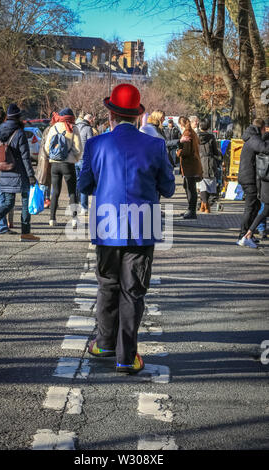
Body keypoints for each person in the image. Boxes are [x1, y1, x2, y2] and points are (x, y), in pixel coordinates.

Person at [78, 83, 175, 374]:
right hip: (141, 225)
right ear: (137, 116)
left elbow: (83, 185)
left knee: (107, 285)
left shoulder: (96, 144)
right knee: (133, 290)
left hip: (106, 225)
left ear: (110, 115)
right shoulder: (155, 145)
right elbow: (169, 188)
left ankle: (104, 343)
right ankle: (126, 356)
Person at [0, 103, 40, 242]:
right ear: (18, 117)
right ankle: (26, 233)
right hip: (20, 173)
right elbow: (26, 157)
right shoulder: (19, 133)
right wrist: (31, 175)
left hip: (4, 171)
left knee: (8, 203)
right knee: (25, 201)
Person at [44, 108, 82, 228]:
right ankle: (74, 219)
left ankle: (52, 219)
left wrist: (52, 157)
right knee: (72, 191)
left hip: (55, 164)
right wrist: (74, 158)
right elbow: (78, 148)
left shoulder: (53, 128)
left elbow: (46, 147)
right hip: (68, 164)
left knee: (55, 191)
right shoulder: (73, 128)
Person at [237, 118, 269, 246]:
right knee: (250, 207)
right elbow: (265, 148)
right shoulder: (254, 139)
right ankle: (243, 235)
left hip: (248, 176)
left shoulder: (252, 137)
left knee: (255, 206)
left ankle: (248, 234)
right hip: (248, 177)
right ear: (262, 129)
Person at [177, 116, 203, 219]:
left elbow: (186, 151)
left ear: (180, 124)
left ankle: (191, 211)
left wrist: (178, 152)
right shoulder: (192, 132)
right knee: (189, 187)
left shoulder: (187, 133)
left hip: (189, 165)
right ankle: (190, 209)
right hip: (193, 164)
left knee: (190, 188)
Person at [197, 118, 221, 213]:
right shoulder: (211, 137)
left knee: (202, 185)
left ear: (200, 126)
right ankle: (206, 206)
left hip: (199, 161)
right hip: (210, 161)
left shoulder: (196, 136)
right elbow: (215, 151)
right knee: (209, 184)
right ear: (208, 127)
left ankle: (203, 206)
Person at [76, 113, 94, 216]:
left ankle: (75, 203)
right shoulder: (88, 129)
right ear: (90, 120)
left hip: (75, 157)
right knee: (83, 182)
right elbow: (90, 144)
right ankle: (84, 207)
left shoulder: (76, 127)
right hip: (84, 158)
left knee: (77, 181)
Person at [35, 123, 52, 209]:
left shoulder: (48, 129)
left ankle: (46, 199)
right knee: (44, 180)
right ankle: (43, 200)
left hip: (44, 157)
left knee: (46, 180)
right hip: (45, 158)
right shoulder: (50, 129)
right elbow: (48, 145)